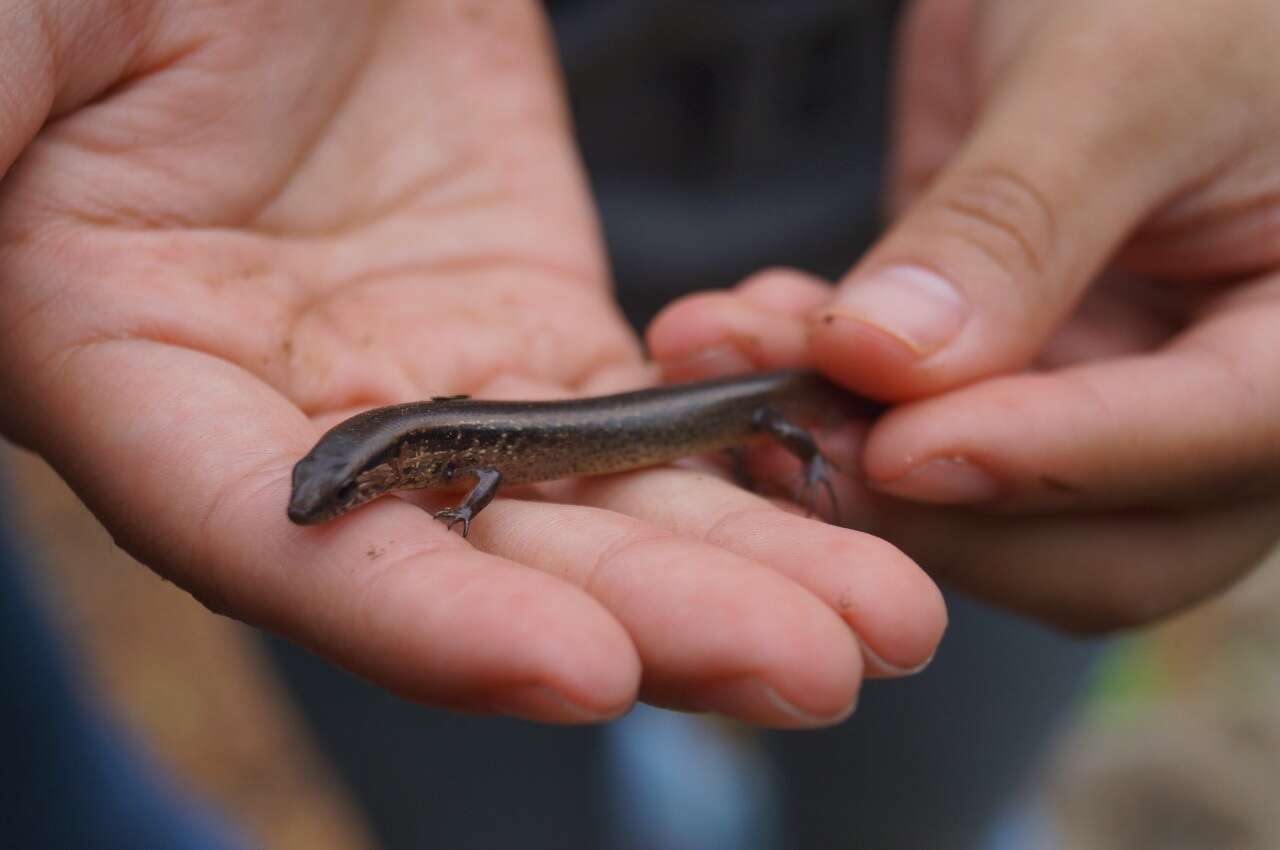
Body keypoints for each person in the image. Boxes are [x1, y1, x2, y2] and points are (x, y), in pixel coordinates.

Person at [2, 0, 1278, 846]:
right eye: (331, 489)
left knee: (917, 772)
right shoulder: (444, 444)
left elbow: (476, 470)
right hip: (460, 165)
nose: (322, 506)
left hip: (883, 212)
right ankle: (671, 791)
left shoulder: (462, 458)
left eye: (332, 490)